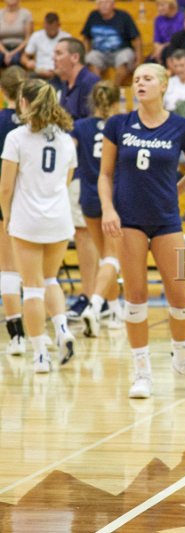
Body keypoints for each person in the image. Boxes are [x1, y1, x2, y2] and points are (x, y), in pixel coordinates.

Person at [98, 63, 185, 399]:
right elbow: (105, 174)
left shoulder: (182, 127)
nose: (140, 83)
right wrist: (108, 209)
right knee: (135, 297)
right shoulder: (118, 124)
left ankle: (183, 359)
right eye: (136, 79)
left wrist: (173, 194)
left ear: (163, 85)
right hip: (129, 219)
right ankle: (142, 372)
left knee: (180, 296)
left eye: (147, 78)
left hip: (166, 219)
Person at [0, 78, 78, 373]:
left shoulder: (17, 137)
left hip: (28, 220)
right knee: (50, 279)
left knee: (32, 288)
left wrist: (7, 216)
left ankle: (41, 355)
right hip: (59, 219)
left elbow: (5, 188)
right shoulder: (65, 139)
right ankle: (62, 329)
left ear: (23, 103)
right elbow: (66, 180)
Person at [53, 36, 102, 325]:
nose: (54, 57)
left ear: (75, 57)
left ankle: (91, 296)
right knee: (82, 233)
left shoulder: (90, 84)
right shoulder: (64, 87)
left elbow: (94, 129)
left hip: (87, 171)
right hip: (71, 169)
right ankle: (95, 296)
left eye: (59, 53)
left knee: (85, 233)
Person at [71, 81, 125, 336]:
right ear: (116, 101)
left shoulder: (80, 126)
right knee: (113, 258)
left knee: (106, 258)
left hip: (89, 198)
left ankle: (114, 310)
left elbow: (68, 158)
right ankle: (96, 306)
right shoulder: (123, 124)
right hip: (114, 197)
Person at [0, 66, 27, 356]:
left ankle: (16, 334)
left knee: (7, 268)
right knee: (35, 272)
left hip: (5, 201)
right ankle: (44, 333)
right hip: (34, 202)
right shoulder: (37, 122)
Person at [81, 0, 142, 86]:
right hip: (99, 52)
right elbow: (86, 38)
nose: (104, 5)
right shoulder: (93, 16)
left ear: (113, 5)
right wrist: (86, 53)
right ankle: (99, 88)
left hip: (121, 50)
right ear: (97, 5)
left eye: (107, 2)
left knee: (125, 57)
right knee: (90, 58)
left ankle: (114, 88)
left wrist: (139, 59)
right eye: (101, 3)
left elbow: (136, 38)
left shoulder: (124, 16)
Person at [21, 12, 71, 80]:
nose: (51, 31)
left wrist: (57, 71)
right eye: (48, 28)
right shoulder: (36, 36)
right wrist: (27, 62)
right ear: (44, 25)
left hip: (59, 73)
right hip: (39, 71)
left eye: (53, 28)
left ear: (58, 25)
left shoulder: (67, 38)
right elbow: (24, 57)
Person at [0, 0, 33, 67]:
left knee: (15, 59)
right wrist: (6, 52)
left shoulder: (26, 14)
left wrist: (13, 53)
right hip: (2, 48)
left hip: (20, 48)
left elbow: (27, 38)